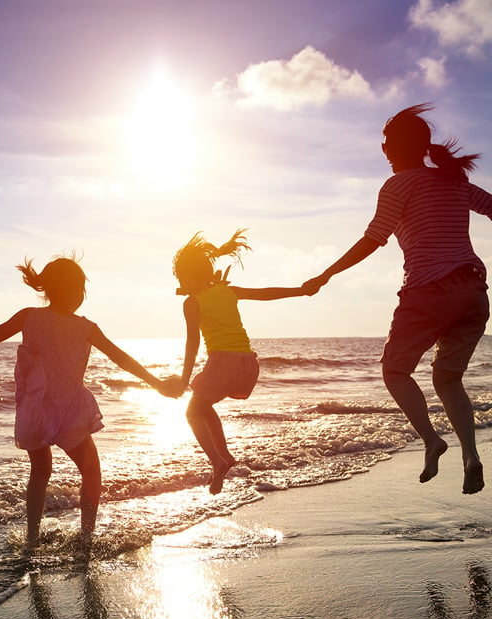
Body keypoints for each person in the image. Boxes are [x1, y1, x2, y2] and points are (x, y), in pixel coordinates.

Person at [303, 104, 492, 494]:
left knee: (394, 370)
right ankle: (470, 455)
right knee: (448, 377)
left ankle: (432, 440)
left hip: (429, 291)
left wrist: (326, 274)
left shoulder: (398, 185)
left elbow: (373, 238)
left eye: (387, 142)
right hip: (473, 293)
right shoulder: (453, 180)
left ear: (401, 147)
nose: (383, 149)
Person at [0, 256, 177, 551]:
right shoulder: (86, 327)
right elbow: (121, 359)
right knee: (91, 469)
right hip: (68, 411)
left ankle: (31, 540)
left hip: (35, 410)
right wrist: (157, 384)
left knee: (40, 472)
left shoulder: (28, 316)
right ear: (74, 291)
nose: (82, 295)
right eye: (80, 288)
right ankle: (87, 537)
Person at [169, 229, 311, 494]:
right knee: (203, 406)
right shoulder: (228, 291)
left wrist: (184, 380)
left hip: (223, 363)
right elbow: (265, 293)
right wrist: (300, 291)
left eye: (181, 278)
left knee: (191, 412)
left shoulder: (192, 302)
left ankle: (218, 461)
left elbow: (192, 343)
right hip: (248, 364)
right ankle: (224, 457)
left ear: (188, 277)